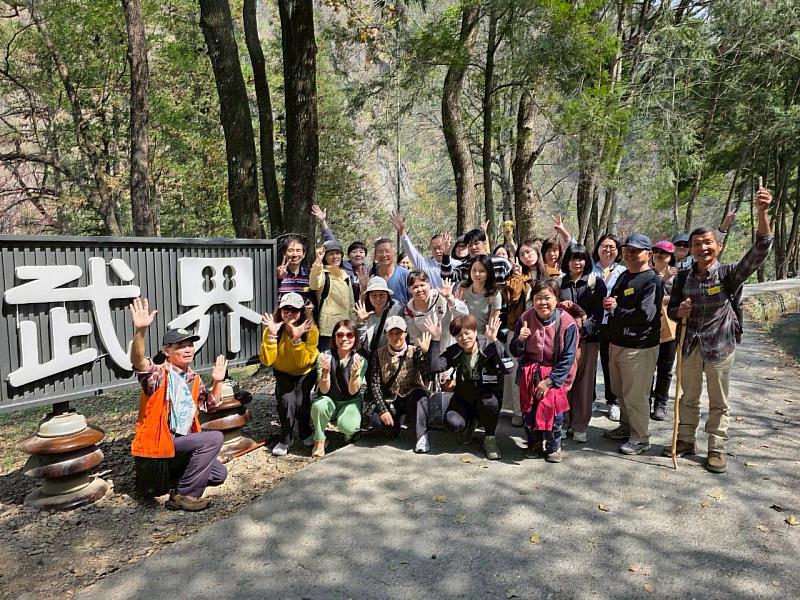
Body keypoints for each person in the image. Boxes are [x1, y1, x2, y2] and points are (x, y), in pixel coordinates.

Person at [666, 184, 773, 473]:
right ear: (691, 249)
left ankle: (716, 447)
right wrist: (679, 311)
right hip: (689, 344)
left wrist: (762, 212)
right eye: (697, 244)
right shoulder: (683, 277)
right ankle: (686, 439)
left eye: (708, 243)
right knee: (687, 396)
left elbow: (760, 251)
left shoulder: (728, 275)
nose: (703, 248)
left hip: (720, 346)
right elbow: (671, 310)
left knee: (718, 400)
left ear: (718, 246)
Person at [129, 297, 228, 512]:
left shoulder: (193, 379)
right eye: (180, 346)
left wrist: (218, 381)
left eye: (190, 345)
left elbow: (210, 406)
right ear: (167, 352)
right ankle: (185, 495)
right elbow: (138, 362)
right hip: (159, 441)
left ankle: (176, 482)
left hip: (180, 441)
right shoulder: (158, 374)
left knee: (219, 474)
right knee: (214, 438)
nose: (187, 349)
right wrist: (140, 331)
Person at [603, 233, 664, 455]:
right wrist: (610, 303)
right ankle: (627, 428)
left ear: (648, 254)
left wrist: (615, 309)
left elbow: (646, 315)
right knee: (620, 390)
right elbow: (617, 300)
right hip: (618, 342)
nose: (629, 254)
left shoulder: (652, 280)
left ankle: (640, 438)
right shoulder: (624, 276)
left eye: (635, 251)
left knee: (636, 394)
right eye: (627, 249)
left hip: (639, 346)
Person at [423, 314, 512, 460]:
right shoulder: (456, 350)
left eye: (467, 333)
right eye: (459, 335)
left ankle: (489, 438)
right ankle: (470, 424)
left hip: (487, 396)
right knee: (452, 423)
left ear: (475, 332)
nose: (464, 338)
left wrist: (495, 340)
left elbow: (508, 369)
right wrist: (435, 339)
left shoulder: (489, 345)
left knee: (489, 402)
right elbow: (434, 367)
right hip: (464, 397)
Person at [510, 280, 579, 463]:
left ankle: (553, 445)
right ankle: (533, 442)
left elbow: (568, 357)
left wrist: (550, 381)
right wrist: (520, 340)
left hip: (556, 373)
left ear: (557, 299)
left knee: (553, 412)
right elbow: (515, 351)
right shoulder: (525, 318)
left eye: (547, 298)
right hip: (530, 372)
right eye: (538, 298)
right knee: (529, 412)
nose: (542, 303)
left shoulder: (567, 323)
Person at [259, 293, 319, 456]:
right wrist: (271, 335)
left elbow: (303, 362)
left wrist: (296, 339)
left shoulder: (311, 330)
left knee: (302, 403)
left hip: (305, 373)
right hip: (283, 372)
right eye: (286, 309)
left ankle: (305, 431)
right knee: (286, 402)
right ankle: (286, 438)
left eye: (294, 310)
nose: (290, 313)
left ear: (302, 311)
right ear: (280, 310)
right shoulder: (273, 328)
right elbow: (267, 361)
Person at [559, 245, 606, 443]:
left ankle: (580, 426)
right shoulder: (560, 284)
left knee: (584, 384)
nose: (577, 263)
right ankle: (563, 422)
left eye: (581, 258)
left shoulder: (596, 283)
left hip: (588, 340)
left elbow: (597, 313)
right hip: (564, 341)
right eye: (572, 258)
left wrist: (583, 330)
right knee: (564, 381)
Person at [364, 316, 433, 453]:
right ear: (386, 335)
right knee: (378, 422)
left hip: (411, 396)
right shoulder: (378, 354)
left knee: (420, 395)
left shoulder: (415, 351)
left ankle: (421, 435)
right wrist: (383, 410)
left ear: (405, 334)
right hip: (391, 399)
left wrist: (424, 355)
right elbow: (375, 384)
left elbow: (427, 376)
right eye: (391, 333)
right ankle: (396, 426)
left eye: (399, 333)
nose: (396, 337)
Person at [310, 320, 368, 458]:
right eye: (340, 335)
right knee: (319, 405)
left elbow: (353, 391)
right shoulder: (324, 357)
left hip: (350, 401)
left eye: (349, 335)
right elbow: (324, 390)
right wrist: (325, 373)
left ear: (355, 338)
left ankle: (349, 434)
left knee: (348, 426)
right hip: (329, 398)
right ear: (334, 337)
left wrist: (354, 376)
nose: (344, 339)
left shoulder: (360, 360)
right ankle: (319, 440)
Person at [502, 240, 541, 427]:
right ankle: (519, 410)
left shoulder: (549, 273)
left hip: (542, 329)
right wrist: (516, 277)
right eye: (523, 253)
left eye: (530, 252)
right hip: (517, 327)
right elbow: (511, 298)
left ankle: (538, 410)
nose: (527, 256)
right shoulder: (517, 276)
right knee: (515, 371)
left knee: (538, 370)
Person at [592, 233, 626, 421]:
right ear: (597, 249)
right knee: (588, 364)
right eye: (604, 246)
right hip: (592, 323)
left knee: (608, 365)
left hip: (612, 324)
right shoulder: (590, 268)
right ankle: (589, 398)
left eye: (612, 247)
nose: (608, 250)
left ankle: (612, 401)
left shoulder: (623, 271)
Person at [649, 240, 678, 422]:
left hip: (670, 329)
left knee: (665, 369)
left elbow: (680, 299)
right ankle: (645, 401)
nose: (660, 255)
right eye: (657, 252)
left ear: (671, 257)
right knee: (647, 369)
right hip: (648, 329)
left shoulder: (679, 277)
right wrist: (663, 281)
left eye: (665, 253)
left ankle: (660, 403)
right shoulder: (646, 273)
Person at [310, 240, 356, 352]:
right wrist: (318, 262)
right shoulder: (322, 273)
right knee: (326, 363)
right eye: (331, 254)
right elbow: (314, 285)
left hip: (345, 329)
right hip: (327, 331)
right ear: (326, 257)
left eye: (337, 253)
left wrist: (353, 325)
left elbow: (351, 303)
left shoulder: (345, 276)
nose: (335, 256)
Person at [403, 270, 468, 350]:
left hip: (451, 345)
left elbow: (464, 315)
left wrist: (450, 298)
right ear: (410, 289)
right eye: (415, 287)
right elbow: (415, 336)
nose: (419, 289)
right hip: (431, 350)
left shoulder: (441, 296)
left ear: (429, 284)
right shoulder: (409, 310)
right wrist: (424, 346)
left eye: (422, 285)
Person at [389, 212, 446, 288]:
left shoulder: (456, 265)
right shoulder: (425, 264)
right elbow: (411, 251)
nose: (437, 251)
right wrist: (402, 233)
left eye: (439, 247)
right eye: (434, 249)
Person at [440, 229, 513, 284]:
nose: (473, 247)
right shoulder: (465, 267)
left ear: (484, 243)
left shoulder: (502, 263)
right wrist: (446, 255)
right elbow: (447, 276)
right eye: (470, 245)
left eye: (476, 243)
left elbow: (514, 282)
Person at [354, 276, 404, 355]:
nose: (378, 299)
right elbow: (360, 342)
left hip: (390, 355)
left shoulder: (397, 310)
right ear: (369, 297)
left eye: (382, 295)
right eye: (374, 295)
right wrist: (361, 322)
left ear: (387, 296)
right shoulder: (364, 312)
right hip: (371, 357)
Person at [457, 254, 502, 335]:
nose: (477, 274)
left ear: (488, 273)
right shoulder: (463, 288)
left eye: (481, 271)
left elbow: (492, 325)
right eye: (474, 270)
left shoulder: (494, 295)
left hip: (482, 337)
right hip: (462, 335)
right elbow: (456, 314)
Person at [372, 237, 411, 305]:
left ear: (394, 253)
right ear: (375, 256)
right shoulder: (372, 274)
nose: (384, 255)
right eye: (380, 252)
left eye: (387, 251)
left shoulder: (405, 274)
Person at [276, 235, 312, 304]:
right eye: (290, 250)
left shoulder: (309, 275)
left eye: (298, 250)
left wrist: (312, 304)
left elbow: (313, 297)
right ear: (284, 253)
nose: (295, 254)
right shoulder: (277, 274)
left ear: (303, 254)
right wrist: (278, 278)